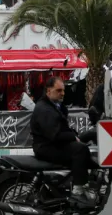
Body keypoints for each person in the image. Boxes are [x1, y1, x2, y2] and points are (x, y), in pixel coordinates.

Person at [31, 76, 96, 206]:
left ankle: (87, 181)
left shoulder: (55, 106)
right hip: (46, 147)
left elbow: (62, 128)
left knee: (84, 145)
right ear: (49, 91)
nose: (62, 93)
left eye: (63, 90)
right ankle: (78, 190)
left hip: (52, 143)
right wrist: (73, 137)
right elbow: (54, 135)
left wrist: (75, 136)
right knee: (80, 150)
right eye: (59, 90)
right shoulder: (45, 109)